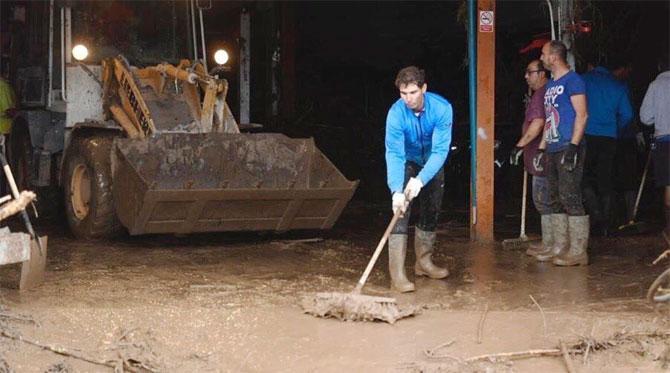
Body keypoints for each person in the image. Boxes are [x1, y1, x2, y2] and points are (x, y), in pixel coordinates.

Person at [385, 66, 452, 292]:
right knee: (401, 212)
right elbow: (394, 153)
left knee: (432, 209)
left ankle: (423, 262)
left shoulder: (442, 109)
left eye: (413, 92)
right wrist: (396, 189)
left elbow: (441, 151)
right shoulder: (396, 114)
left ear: (424, 88)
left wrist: (421, 179)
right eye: (403, 94)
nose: (408, 99)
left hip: (431, 163)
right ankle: (397, 275)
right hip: (406, 161)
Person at [533, 40, 590, 266]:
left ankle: (578, 251)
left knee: (570, 195)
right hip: (554, 146)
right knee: (554, 197)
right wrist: (541, 147)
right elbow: (550, 119)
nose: (542, 57)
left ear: (554, 57)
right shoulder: (550, 86)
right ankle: (559, 246)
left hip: (568, 145)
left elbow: (582, 114)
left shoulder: (574, 80)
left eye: (544, 54)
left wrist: (574, 146)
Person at [581, 58, 633, 236]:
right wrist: (615, 128)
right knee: (605, 178)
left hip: (586, 135)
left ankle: (595, 213)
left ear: (591, 65)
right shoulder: (618, 85)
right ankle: (606, 223)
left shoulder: (583, 80)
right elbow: (628, 114)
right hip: (609, 137)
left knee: (584, 177)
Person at [508, 59, 551, 257]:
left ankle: (551, 243)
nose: (526, 76)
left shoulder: (541, 94)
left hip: (542, 157)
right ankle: (549, 241)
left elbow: (539, 123)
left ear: (542, 73)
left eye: (530, 72)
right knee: (545, 199)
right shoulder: (541, 93)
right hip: (539, 155)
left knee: (544, 200)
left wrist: (520, 145)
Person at [640, 55, 670, 244]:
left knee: (669, 184)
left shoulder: (655, 86)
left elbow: (645, 117)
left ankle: (669, 229)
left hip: (665, 141)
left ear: (660, 66)